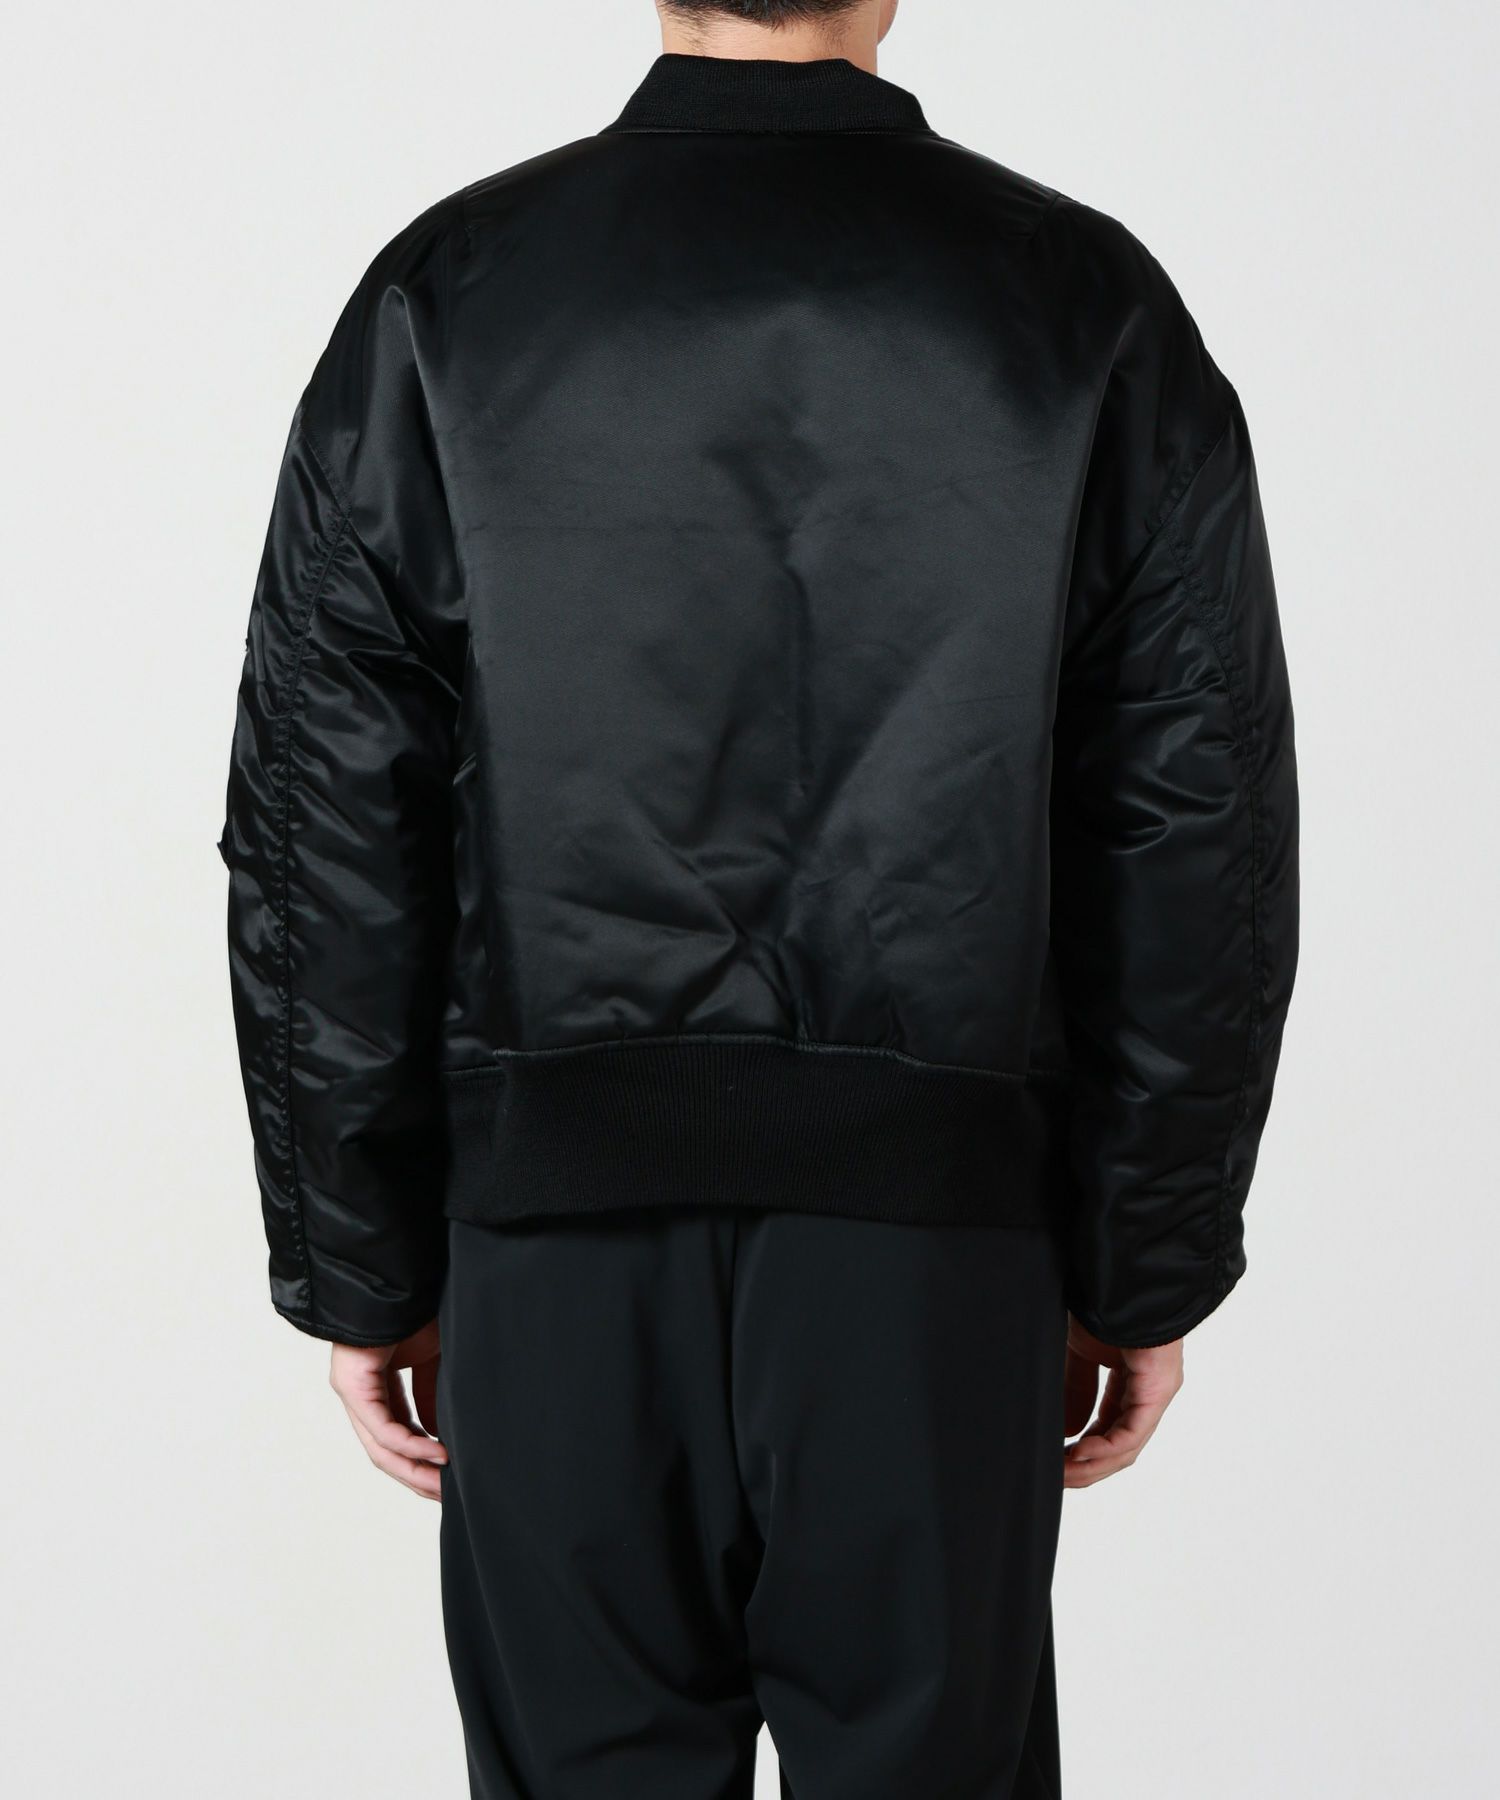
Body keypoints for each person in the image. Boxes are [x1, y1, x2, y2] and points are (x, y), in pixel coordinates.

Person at [221, 0, 1298, 1792]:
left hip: (554, 1249)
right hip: (933, 1251)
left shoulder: (450, 295)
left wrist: (362, 1252)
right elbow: (1194, 827)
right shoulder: (1083, 306)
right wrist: (1144, 1260)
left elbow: (323, 817)